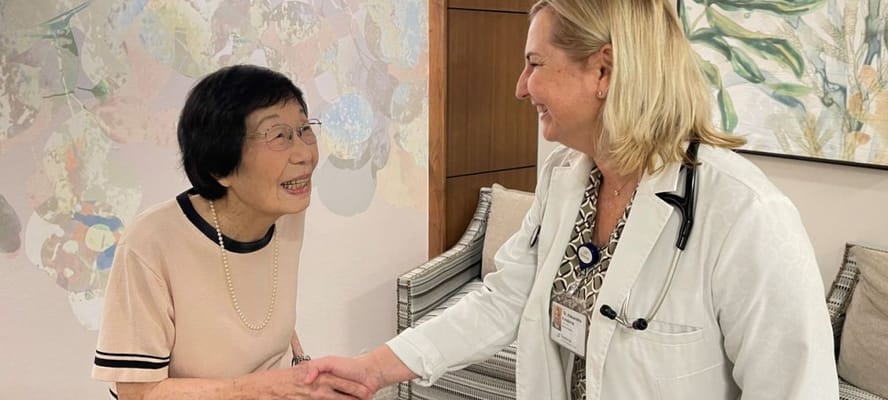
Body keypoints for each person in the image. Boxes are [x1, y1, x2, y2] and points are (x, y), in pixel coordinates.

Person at [305, 1, 840, 399]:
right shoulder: (567, 179)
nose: (520, 87)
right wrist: (376, 366)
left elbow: (796, 388)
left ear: (602, 71)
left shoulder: (746, 214)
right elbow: (505, 299)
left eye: (535, 63)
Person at [92, 65, 370, 400]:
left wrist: (302, 374)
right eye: (279, 136)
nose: (305, 154)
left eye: (304, 129)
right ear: (220, 167)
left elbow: (261, 320)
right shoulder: (151, 244)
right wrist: (269, 388)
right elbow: (138, 393)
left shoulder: (285, 212)